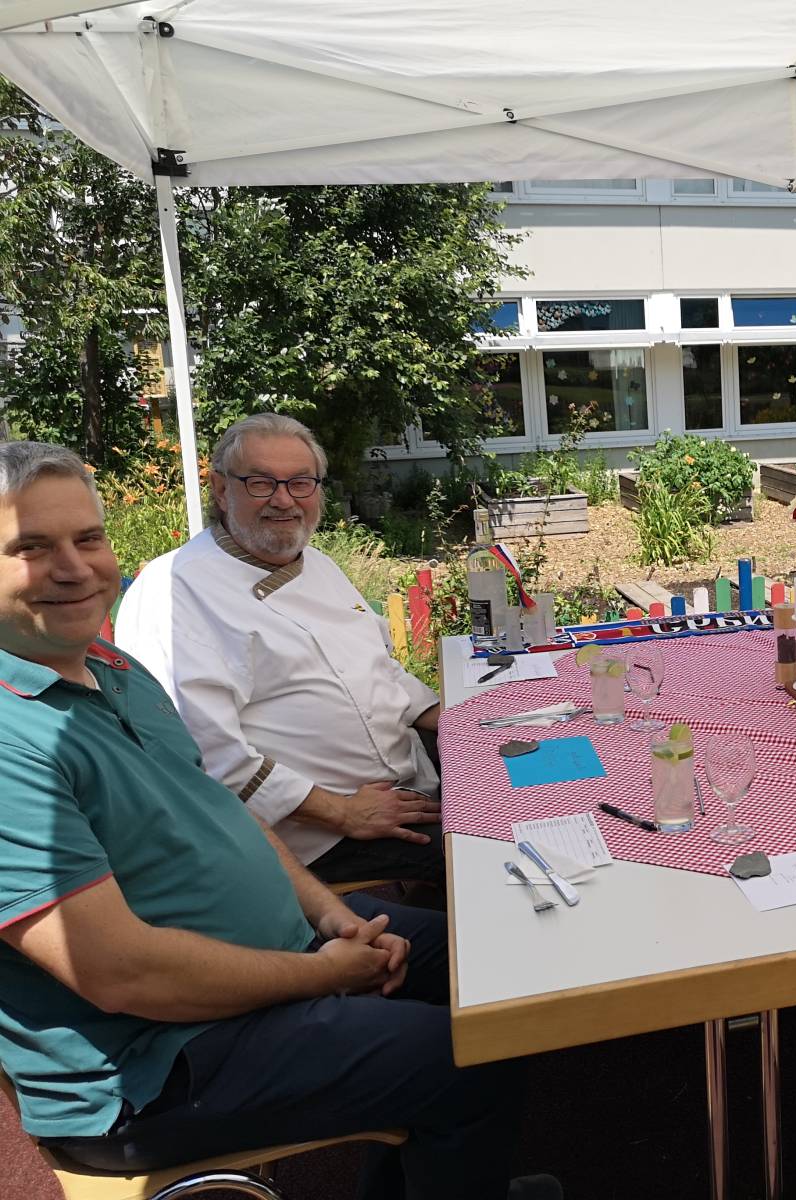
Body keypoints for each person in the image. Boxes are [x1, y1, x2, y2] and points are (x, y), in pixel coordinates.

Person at [0, 440, 557, 1197]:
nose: (73, 568)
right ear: (221, 488)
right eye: (31, 548)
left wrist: (331, 917)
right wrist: (320, 975)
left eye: (87, 538)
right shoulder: (13, 738)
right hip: (157, 1063)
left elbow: (220, 807)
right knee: (473, 1060)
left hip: (278, 947)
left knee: (498, 969)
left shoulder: (111, 669)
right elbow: (122, 975)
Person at [116, 414, 445, 891]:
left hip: (406, 785)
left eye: (300, 482)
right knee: (489, 854)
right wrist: (344, 813)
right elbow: (207, 755)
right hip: (316, 837)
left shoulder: (319, 565)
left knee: (531, 780)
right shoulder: (172, 591)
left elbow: (379, 668)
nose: (284, 499)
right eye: (261, 483)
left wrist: (456, 721)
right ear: (221, 489)